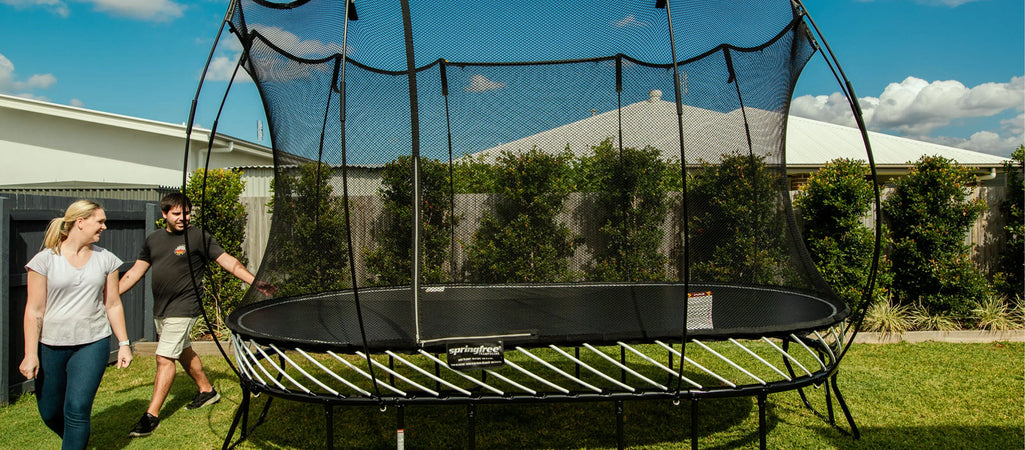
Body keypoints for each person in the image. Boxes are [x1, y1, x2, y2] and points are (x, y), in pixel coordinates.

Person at [119, 192, 273, 438]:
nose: (183, 218)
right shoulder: (153, 240)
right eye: (177, 214)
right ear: (164, 214)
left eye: (187, 213)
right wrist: (111, 295)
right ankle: (207, 391)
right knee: (182, 351)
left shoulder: (197, 237)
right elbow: (135, 272)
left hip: (185, 307)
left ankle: (151, 416)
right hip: (162, 308)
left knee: (163, 358)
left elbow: (228, 262)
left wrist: (255, 282)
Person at [19, 200, 133, 450]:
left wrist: (124, 343)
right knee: (50, 412)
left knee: (78, 409)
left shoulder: (107, 260)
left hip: (92, 343)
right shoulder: (44, 261)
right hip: (50, 346)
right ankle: (76, 438)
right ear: (80, 222)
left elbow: (112, 304)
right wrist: (30, 354)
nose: (104, 226)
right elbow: (34, 311)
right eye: (100, 221)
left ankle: (76, 439)